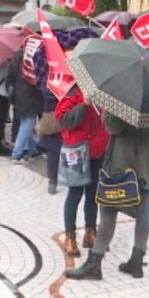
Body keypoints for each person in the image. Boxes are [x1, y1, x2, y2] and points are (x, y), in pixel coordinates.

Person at [66, 112, 149, 281]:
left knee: (108, 210)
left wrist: (107, 113)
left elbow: (113, 127)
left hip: (122, 162)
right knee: (143, 210)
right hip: (145, 161)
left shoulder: (123, 98)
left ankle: (94, 264)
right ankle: (137, 260)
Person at [56, 84, 108, 256]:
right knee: (75, 194)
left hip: (97, 150)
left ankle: (90, 232)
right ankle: (70, 236)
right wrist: (83, 105)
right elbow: (64, 121)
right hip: (77, 150)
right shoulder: (71, 92)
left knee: (93, 194)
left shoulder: (101, 92)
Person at [7, 49, 42, 164]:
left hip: (18, 95)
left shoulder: (16, 58)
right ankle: (16, 155)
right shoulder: (35, 58)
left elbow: (9, 78)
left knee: (25, 124)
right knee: (27, 124)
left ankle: (33, 151)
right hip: (30, 96)